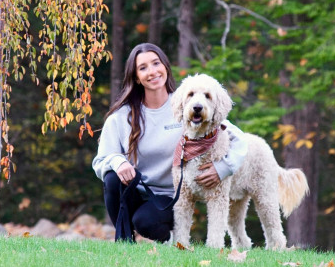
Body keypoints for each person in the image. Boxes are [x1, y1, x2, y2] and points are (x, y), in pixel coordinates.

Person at [92, 43, 247, 243]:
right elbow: (101, 160)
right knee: (111, 178)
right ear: (136, 77)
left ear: (165, 66)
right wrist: (118, 162)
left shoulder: (187, 103)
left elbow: (239, 138)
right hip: (135, 189)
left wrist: (223, 168)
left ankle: (167, 237)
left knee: (146, 222)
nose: (152, 71)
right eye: (143, 68)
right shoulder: (122, 117)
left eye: (156, 63)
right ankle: (124, 241)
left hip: (170, 196)